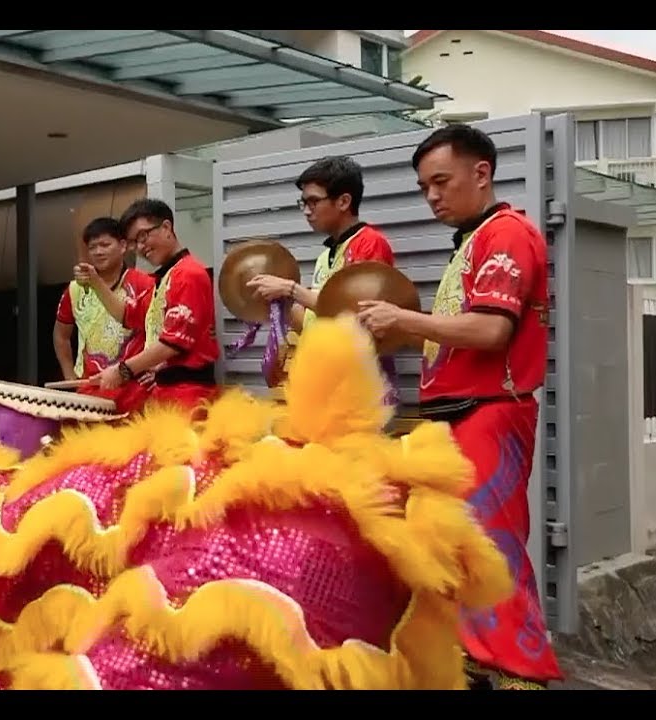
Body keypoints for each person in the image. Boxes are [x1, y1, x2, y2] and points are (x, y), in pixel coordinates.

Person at [355, 123, 563, 690]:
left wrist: (402, 320)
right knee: (449, 545)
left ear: (482, 173)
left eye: (441, 182)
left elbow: (491, 330)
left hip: (489, 412)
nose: (432, 197)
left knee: (490, 549)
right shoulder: (476, 240)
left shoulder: (506, 235)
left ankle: (522, 674)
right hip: (454, 417)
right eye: (424, 186)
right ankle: (471, 664)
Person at [244, 156, 398, 394]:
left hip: (361, 388)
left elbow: (360, 315)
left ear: (344, 201)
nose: (306, 211)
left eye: (313, 201)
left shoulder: (370, 243)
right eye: (303, 203)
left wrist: (290, 289)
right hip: (328, 383)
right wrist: (278, 304)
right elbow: (314, 322)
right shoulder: (325, 257)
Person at [92, 198, 219, 412]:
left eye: (143, 235)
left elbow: (173, 344)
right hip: (168, 392)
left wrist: (123, 371)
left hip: (189, 393)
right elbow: (127, 315)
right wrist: (96, 282)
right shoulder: (165, 277)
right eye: (135, 242)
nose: (141, 247)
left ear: (167, 227)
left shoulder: (188, 274)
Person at [53, 217, 155, 414]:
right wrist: (69, 376)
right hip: (89, 392)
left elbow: (163, 333)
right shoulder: (74, 290)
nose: (98, 252)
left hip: (134, 391)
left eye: (105, 245)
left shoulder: (144, 284)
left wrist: (157, 369)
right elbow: (60, 335)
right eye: (92, 247)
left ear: (123, 246)